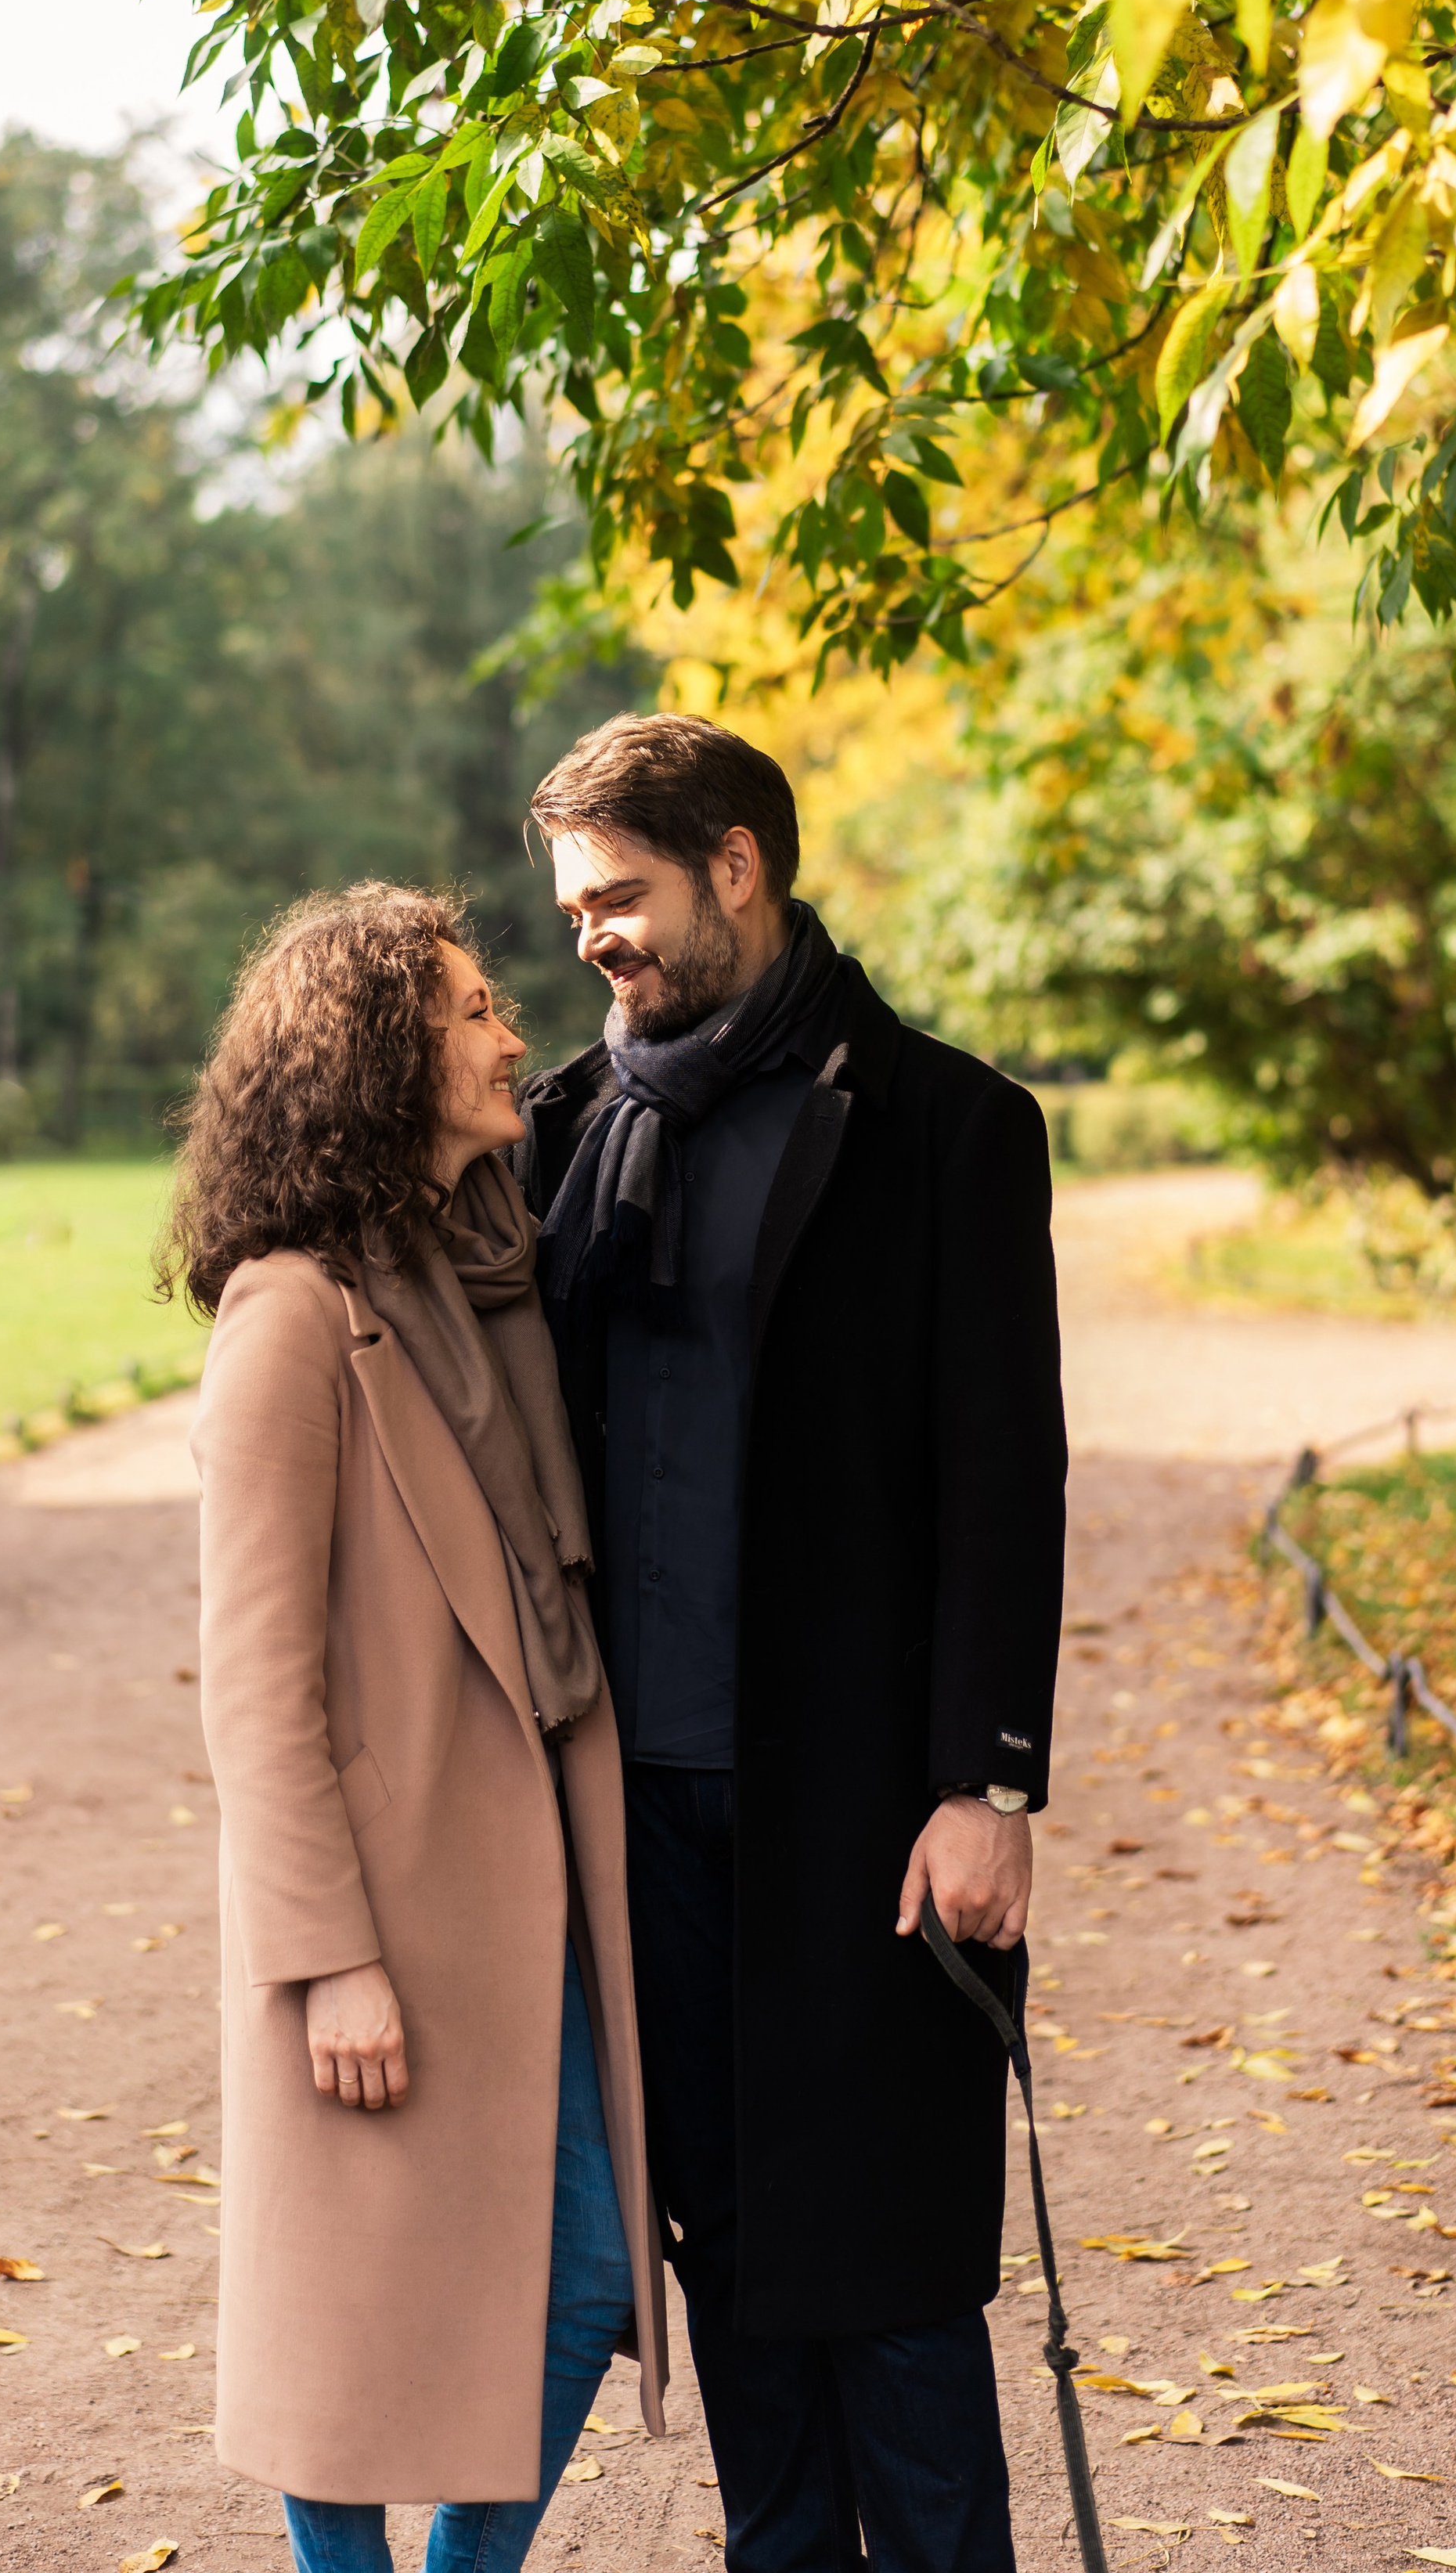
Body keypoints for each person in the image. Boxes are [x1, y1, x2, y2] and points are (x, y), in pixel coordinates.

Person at [513, 716, 1066, 2573]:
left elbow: (1007, 1478)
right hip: (634, 1812)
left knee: (895, 2275)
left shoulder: (948, 1129)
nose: (591, 935)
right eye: (574, 905)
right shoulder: (563, 1139)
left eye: (621, 895)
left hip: (864, 1806)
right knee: (729, 2262)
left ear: (736, 863)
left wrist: (982, 1784)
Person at [164, 883, 665, 2573]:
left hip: (514, 1885)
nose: (507, 1033)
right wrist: (329, 1958)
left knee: (585, 2270)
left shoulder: (469, 1276)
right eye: (465, 1008)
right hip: (381, 1908)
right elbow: (252, 1683)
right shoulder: (289, 1315)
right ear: (377, 1057)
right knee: (343, 2320)